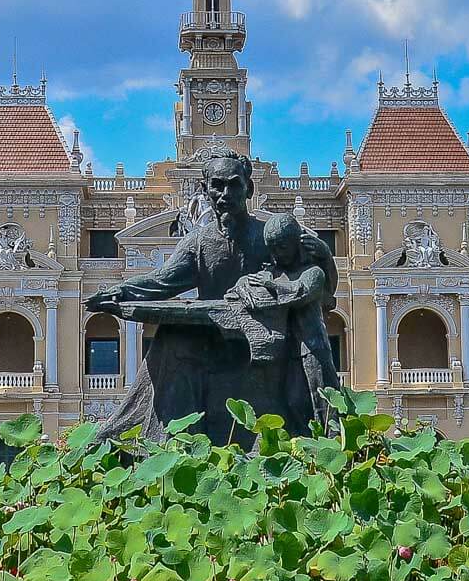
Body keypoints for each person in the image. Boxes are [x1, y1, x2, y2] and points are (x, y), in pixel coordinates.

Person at [86, 150, 336, 443]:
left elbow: (318, 286)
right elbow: (162, 282)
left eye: (234, 185)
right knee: (171, 337)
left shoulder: (269, 236)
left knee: (309, 320)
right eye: (217, 185)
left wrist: (326, 257)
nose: (224, 194)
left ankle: (327, 419)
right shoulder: (200, 241)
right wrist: (121, 292)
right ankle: (168, 441)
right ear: (205, 190)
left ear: (249, 188)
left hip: (265, 336)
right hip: (216, 335)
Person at [226, 212, 341, 432]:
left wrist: (271, 285)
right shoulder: (275, 272)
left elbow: (299, 293)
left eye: (282, 247)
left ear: (295, 244)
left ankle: (332, 448)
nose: (277, 253)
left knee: (323, 406)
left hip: (312, 349)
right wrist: (242, 287)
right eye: (273, 248)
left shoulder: (312, 272)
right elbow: (246, 283)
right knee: (293, 402)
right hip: (285, 351)